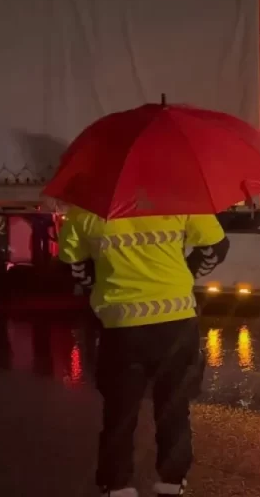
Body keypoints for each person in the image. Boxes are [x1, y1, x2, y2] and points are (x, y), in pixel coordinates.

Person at [58, 207, 229, 497]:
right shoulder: (179, 198)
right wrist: (185, 271)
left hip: (121, 327)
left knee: (119, 412)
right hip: (176, 323)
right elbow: (216, 247)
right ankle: (171, 482)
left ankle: (117, 485)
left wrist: (99, 282)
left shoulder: (87, 208)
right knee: (174, 408)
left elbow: (72, 265)